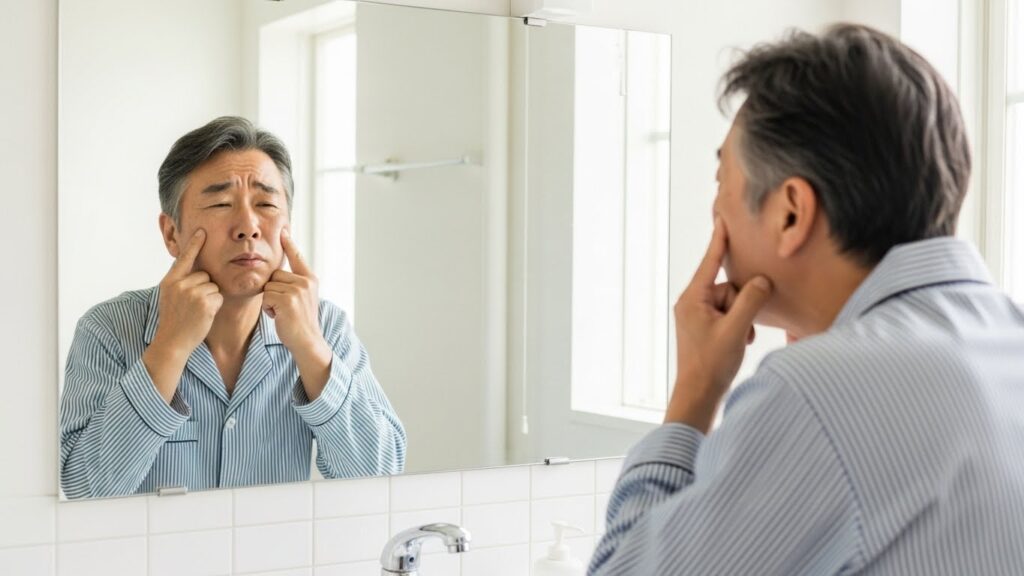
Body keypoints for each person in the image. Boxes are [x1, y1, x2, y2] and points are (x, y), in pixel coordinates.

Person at [590, 24, 1024, 575]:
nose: (715, 210)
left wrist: (695, 392)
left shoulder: (820, 391)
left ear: (791, 212)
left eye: (721, 182)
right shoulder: (1008, 339)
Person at [60, 117, 406, 499]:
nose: (248, 227)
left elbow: (382, 477)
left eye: (266, 204)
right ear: (172, 233)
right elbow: (84, 491)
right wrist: (169, 347)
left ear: (288, 226)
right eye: (221, 204)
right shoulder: (108, 329)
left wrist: (310, 347)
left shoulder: (326, 327)